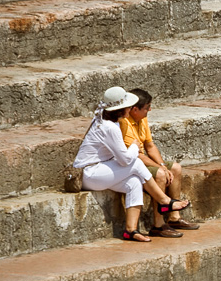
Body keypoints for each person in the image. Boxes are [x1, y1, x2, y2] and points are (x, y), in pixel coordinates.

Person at [73, 87, 191, 242]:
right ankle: (164, 201)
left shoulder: (105, 120)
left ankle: (131, 230)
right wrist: (135, 146)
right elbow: (126, 160)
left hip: (101, 169)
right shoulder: (110, 127)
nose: (130, 108)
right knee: (135, 164)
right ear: (121, 110)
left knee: (134, 182)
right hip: (90, 173)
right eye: (128, 106)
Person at [120, 88, 199, 236]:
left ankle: (174, 217)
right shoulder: (125, 124)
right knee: (161, 174)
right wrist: (160, 169)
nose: (149, 110)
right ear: (135, 109)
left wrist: (162, 165)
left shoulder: (142, 119)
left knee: (175, 168)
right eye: (147, 107)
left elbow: (150, 146)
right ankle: (158, 223)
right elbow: (137, 156)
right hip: (132, 165)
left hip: (143, 161)